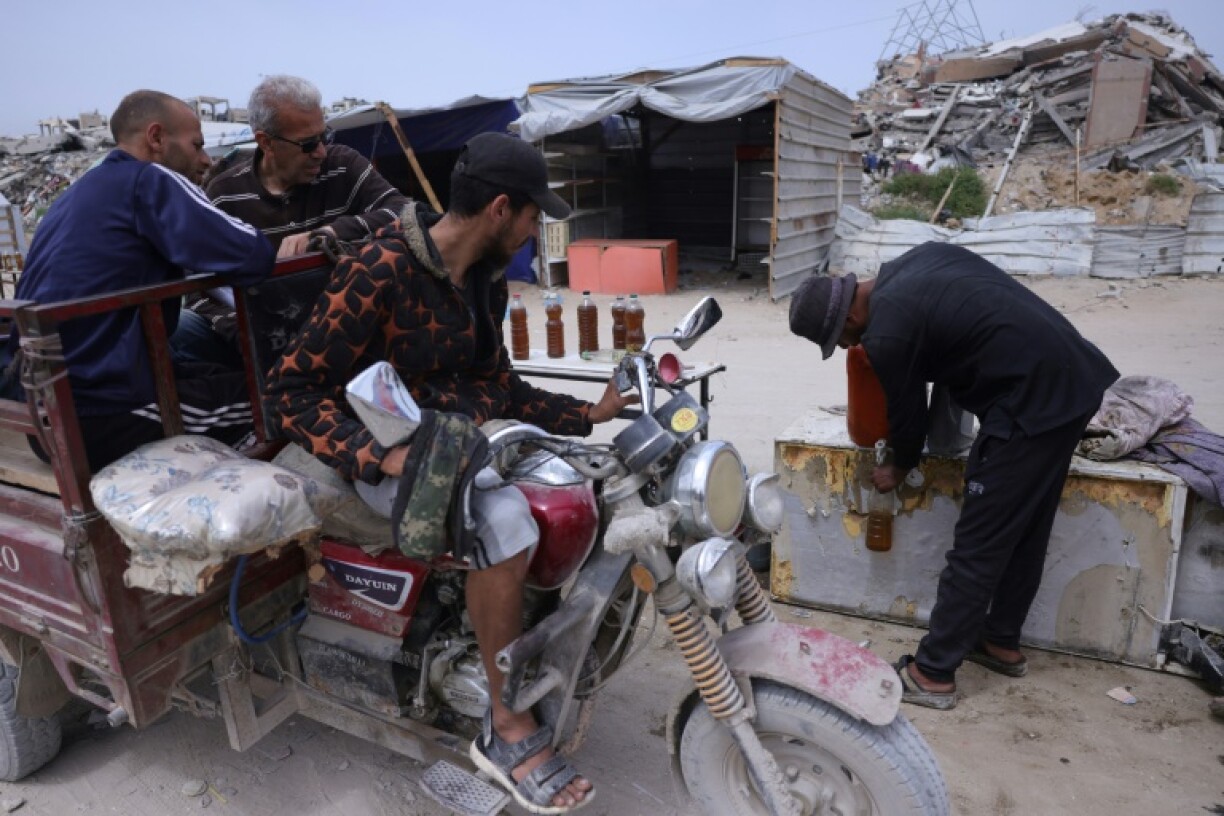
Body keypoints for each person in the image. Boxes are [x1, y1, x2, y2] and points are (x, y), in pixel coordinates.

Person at [264, 132, 634, 811]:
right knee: (507, 524)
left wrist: (590, 413)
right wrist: (382, 455)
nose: (533, 231)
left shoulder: (483, 283)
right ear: (500, 209)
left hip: (462, 444)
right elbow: (290, 393)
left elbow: (500, 383)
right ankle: (504, 726)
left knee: (584, 485)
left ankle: (522, 640)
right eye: (531, 217)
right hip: (381, 452)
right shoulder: (378, 269)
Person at [789, 242, 1119, 710]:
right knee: (1025, 525)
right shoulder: (916, 261)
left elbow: (908, 418)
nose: (847, 348)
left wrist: (898, 466)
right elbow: (964, 325)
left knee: (977, 545)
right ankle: (1000, 641)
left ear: (846, 321)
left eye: (839, 341)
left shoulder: (885, 335)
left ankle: (933, 673)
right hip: (1070, 380)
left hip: (1028, 404)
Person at [0, 90, 274, 472]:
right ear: (157, 138)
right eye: (196, 146)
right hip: (104, 414)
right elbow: (253, 252)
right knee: (284, 402)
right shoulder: (148, 179)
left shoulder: (77, 192)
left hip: (46, 415)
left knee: (218, 376)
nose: (206, 160)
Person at [178, 76, 410, 367]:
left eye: (324, 136)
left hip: (349, 324)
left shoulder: (343, 165)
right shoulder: (224, 194)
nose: (321, 152)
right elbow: (198, 287)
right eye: (308, 144)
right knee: (178, 331)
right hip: (263, 337)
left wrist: (331, 233)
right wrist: (244, 331)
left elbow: (405, 211)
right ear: (266, 142)